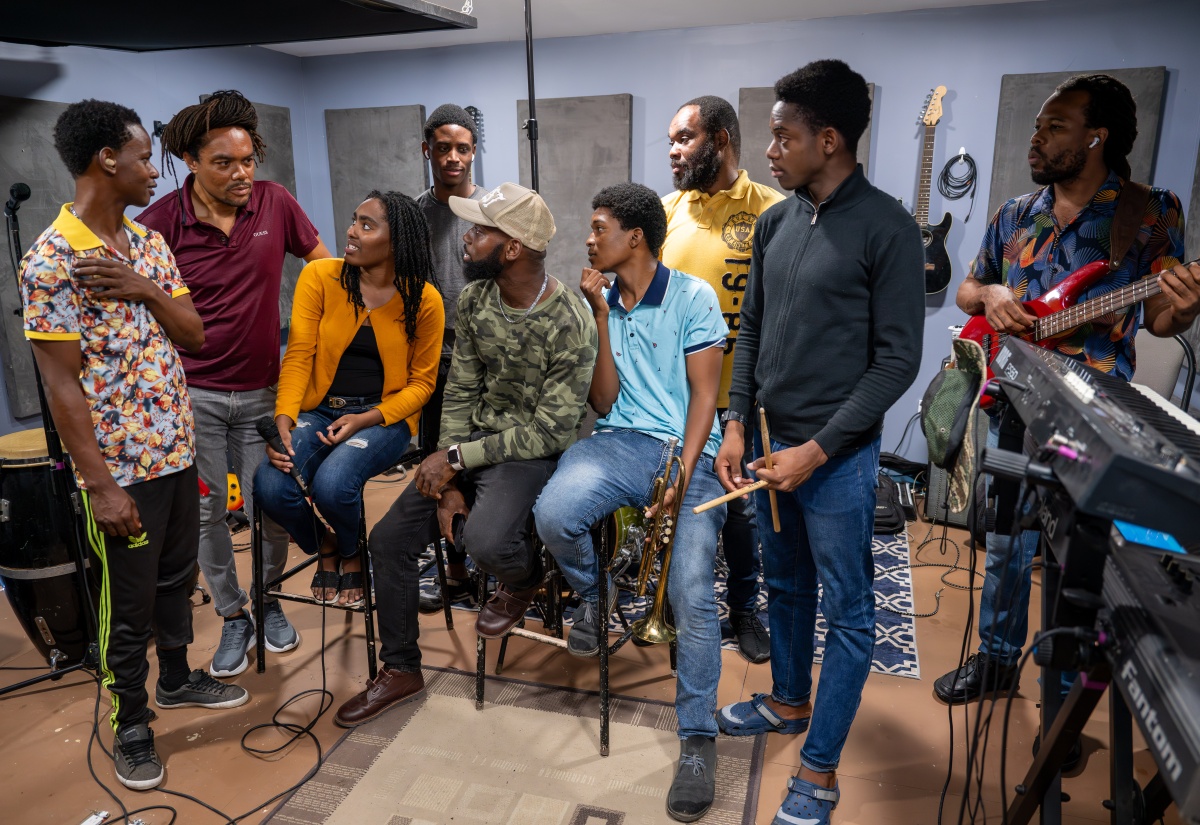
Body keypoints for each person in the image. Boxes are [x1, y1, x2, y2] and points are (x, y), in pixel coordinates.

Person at [933, 74, 1198, 723]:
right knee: (1004, 544)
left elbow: (1161, 316)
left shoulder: (1150, 212)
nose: (1036, 135)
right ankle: (996, 659)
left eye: (1053, 126)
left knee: (1073, 565)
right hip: (1013, 399)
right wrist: (992, 297)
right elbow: (969, 290)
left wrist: (1182, 312)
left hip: (1093, 416)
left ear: (1095, 138)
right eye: (1037, 124)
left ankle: (1063, 704)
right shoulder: (1017, 214)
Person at [714, 61, 925, 825]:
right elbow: (751, 330)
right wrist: (736, 422)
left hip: (835, 459)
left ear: (828, 139)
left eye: (782, 136)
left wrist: (822, 448)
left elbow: (898, 358)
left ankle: (821, 767)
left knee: (851, 607)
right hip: (769, 444)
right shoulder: (776, 220)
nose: (770, 150)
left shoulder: (890, 228)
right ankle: (788, 699)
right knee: (788, 586)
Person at [22, 99, 248, 792]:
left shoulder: (148, 241)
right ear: (106, 160)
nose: (157, 169)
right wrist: (102, 485)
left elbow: (194, 333)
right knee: (130, 602)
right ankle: (131, 722)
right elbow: (61, 387)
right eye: (146, 156)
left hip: (177, 448)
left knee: (180, 579)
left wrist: (145, 288)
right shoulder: (52, 260)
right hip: (121, 468)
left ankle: (178, 678)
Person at [333, 183, 596, 728]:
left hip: (528, 454)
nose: (465, 238)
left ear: (513, 248)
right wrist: (448, 477)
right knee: (388, 541)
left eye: (479, 230)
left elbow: (551, 430)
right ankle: (401, 668)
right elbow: (460, 391)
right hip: (467, 448)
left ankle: (523, 581)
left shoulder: (570, 318)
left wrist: (455, 458)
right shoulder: (476, 299)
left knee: (484, 541)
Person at [534, 182, 728, 823]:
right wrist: (598, 316)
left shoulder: (694, 297)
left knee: (694, 592)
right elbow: (602, 399)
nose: (588, 241)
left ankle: (698, 737)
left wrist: (686, 473)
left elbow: (705, 397)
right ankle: (599, 596)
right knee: (554, 514)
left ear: (634, 237)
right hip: (619, 441)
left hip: (690, 450)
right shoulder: (602, 301)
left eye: (598, 229)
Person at [137, 91, 331, 679]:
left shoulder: (275, 203)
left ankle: (268, 601)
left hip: (263, 392)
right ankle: (233, 615)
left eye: (248, 160)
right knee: (207, 514)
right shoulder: (160, 222)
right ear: (192, 161)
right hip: (190, 394)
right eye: (225, 162)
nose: (242, 173)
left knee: (270, 503)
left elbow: (324, 272)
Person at [254, 191, 443, 608]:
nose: (351, 232)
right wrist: (285, 415)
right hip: (318, 410)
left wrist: (366, 418)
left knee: (334, 484)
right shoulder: (320, 276)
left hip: (383, 419)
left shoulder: (424, 299)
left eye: (366, 225)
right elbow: (299, 352)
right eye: (355, 220)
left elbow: (421, 385)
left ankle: (355, 555)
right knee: (270, 485)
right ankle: (331, 544)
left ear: (396, 243)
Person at [661, 95, 785, 664]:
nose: (674, 150)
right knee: (670, 495)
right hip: (675, 395)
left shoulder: (773, 209)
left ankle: (743, 608)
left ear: (722, 139)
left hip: (744, 395)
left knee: (740, 511)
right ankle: (666, 597)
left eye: (684, 138)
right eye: (671, 140)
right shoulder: (664, 212)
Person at [412, 104, 486, 614]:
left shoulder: (493, 209)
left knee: (488, 466)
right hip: (433, 361)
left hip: (486, 359)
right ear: (428, 151)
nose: (453, 157)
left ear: (474, 151)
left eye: (462, 147)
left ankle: (497, 564)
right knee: (441, 468)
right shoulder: (414, 214)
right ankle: (455, 572)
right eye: (444, 147)